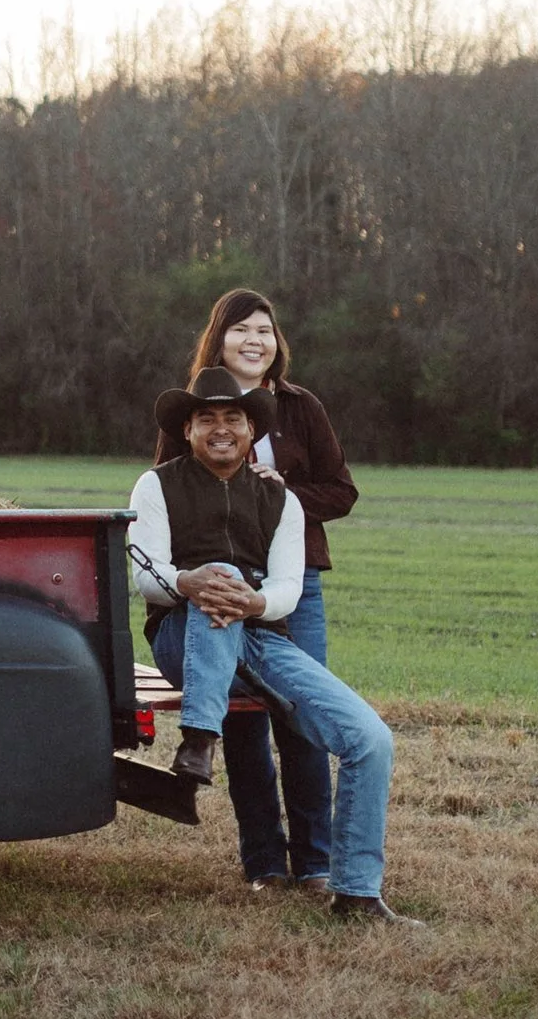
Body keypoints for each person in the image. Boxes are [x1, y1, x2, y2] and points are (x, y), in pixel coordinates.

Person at [128, 370, 411, 927]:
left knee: (370, 739)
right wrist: (190, 583)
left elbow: (287, 589)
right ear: (187, 430)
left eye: (232, 418)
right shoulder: (155, 485)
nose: (220, 428)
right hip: (180, 636)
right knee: (223, 574)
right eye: (206, 418)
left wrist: (251, 604)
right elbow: (146, 572)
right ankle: (202, 734)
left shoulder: (281, 500)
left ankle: (355, 894)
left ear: (251, 429)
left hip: (260, 637)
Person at [154, 286, 357, 898]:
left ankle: (316, 864)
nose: (256, 340)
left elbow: (341, 492)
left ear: (277, 343)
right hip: (217, 588)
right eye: (242, 329)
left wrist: (281, 490)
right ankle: (264, 863)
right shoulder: (193, 411)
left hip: (295, 586)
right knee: (243, 723)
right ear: (219, 341)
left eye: (265, 330)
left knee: (300, 718)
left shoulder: (300, 407)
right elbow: (166, 487)